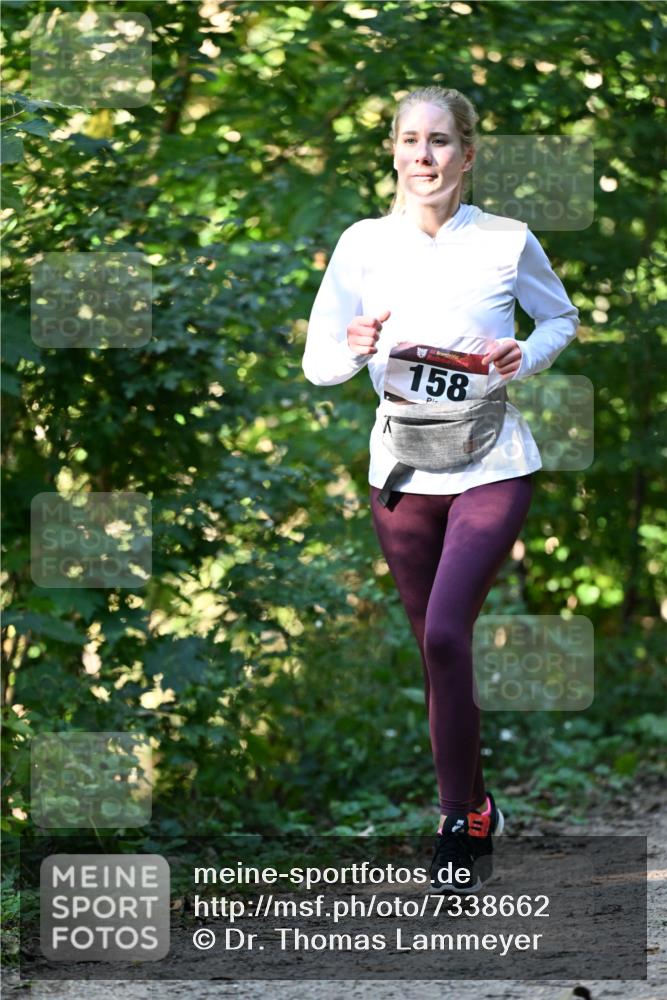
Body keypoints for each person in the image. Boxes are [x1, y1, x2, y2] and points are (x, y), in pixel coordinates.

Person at [301, 85, 579, 893]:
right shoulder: (361, 244)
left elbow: (557, 320)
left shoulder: (505, 239)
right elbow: (319, 364)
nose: (423, 157)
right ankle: (477, 803)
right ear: (391, 150)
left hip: (492, 461)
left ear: (468, 151)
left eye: (440, 142)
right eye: (409, 141)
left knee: (449, 635)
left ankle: (456, 822)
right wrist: (352, 346)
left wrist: (519, 356)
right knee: (435, 652)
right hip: (401, 469)